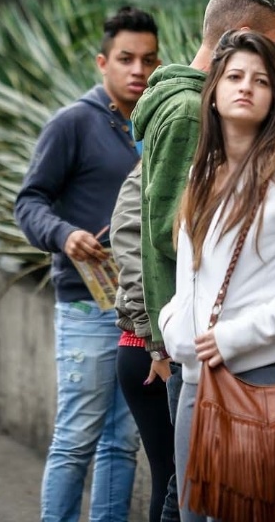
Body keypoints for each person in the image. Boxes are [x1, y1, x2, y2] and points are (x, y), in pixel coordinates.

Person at [158, 30, 275, 522]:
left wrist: (233, 336)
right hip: (196, 381)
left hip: (261, 381)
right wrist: (176, 330)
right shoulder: (202, 173)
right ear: (212, 92)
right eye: (234, 76)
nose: (245, 87)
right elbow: (191, 278)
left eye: (260, 80)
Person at [130, 0, 275, 520]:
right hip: (192, 341)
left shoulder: (194, 105)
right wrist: (164, 337)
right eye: (272, 47)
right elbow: (169, 236)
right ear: (240, 39)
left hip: (197, 338)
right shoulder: (192, 112)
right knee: (186, 497)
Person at [15, 6, 160, 522]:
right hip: (85, 307)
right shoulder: (73, 122)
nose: (138, 70)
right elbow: (28, 202)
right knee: (77, 437)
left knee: (122, 443)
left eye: (148, 59)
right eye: (125, 59)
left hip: (139, 308)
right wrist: (65, 235)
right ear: (103, 62)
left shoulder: (156, 125)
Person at [111, 161, 175, 522]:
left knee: (175, 481)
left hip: (156, 345)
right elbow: (132, 253)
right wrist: (157, 343)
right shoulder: (163, 156)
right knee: (174, 482)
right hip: (151, 351)